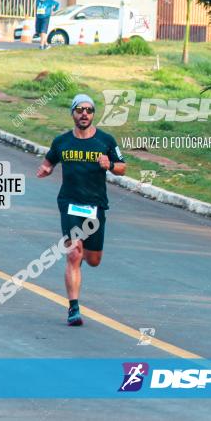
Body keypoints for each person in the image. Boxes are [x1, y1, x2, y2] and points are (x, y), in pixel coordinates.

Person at [36, 94, 126, 326]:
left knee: (93, 260)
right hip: (69, 202)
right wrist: (45, 169)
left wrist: (111, 165)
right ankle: (73, 309)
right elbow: (49, 162)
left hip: (96, 205)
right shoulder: (62, 142)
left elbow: (122, 168)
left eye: (88, 110)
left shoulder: (105, 141)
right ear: (73, 113)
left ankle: (83, 254)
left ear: (93, 114)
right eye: (79, 110)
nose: (84, 114)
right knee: (74, 253)